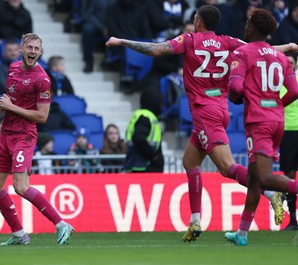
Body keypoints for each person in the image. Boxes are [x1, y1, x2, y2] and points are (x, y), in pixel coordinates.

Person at [106, 4, 298, 242]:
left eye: (195, 17)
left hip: (205, 112)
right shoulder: (227, 42)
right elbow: (259, 50)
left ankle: (271, 194)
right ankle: (195, 220)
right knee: (189, 161)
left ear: (198, 22)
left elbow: (157, 50)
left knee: (227, 168)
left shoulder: (190, 40)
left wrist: (123, 41)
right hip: (218, 109)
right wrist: (287, 47)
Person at [0, 33, 73, 245]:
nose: (33, 51)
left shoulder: (42, 79)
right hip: (6, 133)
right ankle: (18, 233)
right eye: (29, 47)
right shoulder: (13, 68)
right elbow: (11, 100)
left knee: (21, 186)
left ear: (40, 52)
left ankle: (61, 224)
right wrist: (2, 107)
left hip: (24, 136)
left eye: (36, 48)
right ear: (21, 49)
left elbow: (42, 116)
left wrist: (10, 107)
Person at [225, 9, 298, 246]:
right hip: (276, 120)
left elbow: (235, 88)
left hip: (258, 121)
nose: (245, 27)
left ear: (251, 28)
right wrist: (277, 104)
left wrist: (239, 98)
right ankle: (242, 234)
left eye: (247, 24)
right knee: (255, 178)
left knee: (265, 177)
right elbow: (294, 91)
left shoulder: (242, 52)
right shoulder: (280, 58)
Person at [123, 88, 164, 172]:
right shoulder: (146, 117)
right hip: (144, 167)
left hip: (137, 165)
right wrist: (153, 156)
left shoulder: (141, 115)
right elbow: (138, 138)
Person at [279, 54, 298, 231]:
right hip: (286, 132)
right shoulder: (277, 82)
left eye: (292, 63)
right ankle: (293, 220)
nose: (289, 66)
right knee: (290, 176)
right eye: (287, 63)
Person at [80, 0, 115, 73]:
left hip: (113, 26)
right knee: (87, 29)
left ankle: (110, 61)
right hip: (96, 25)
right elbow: (87, 14)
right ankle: (88, 60)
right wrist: (102, 27)